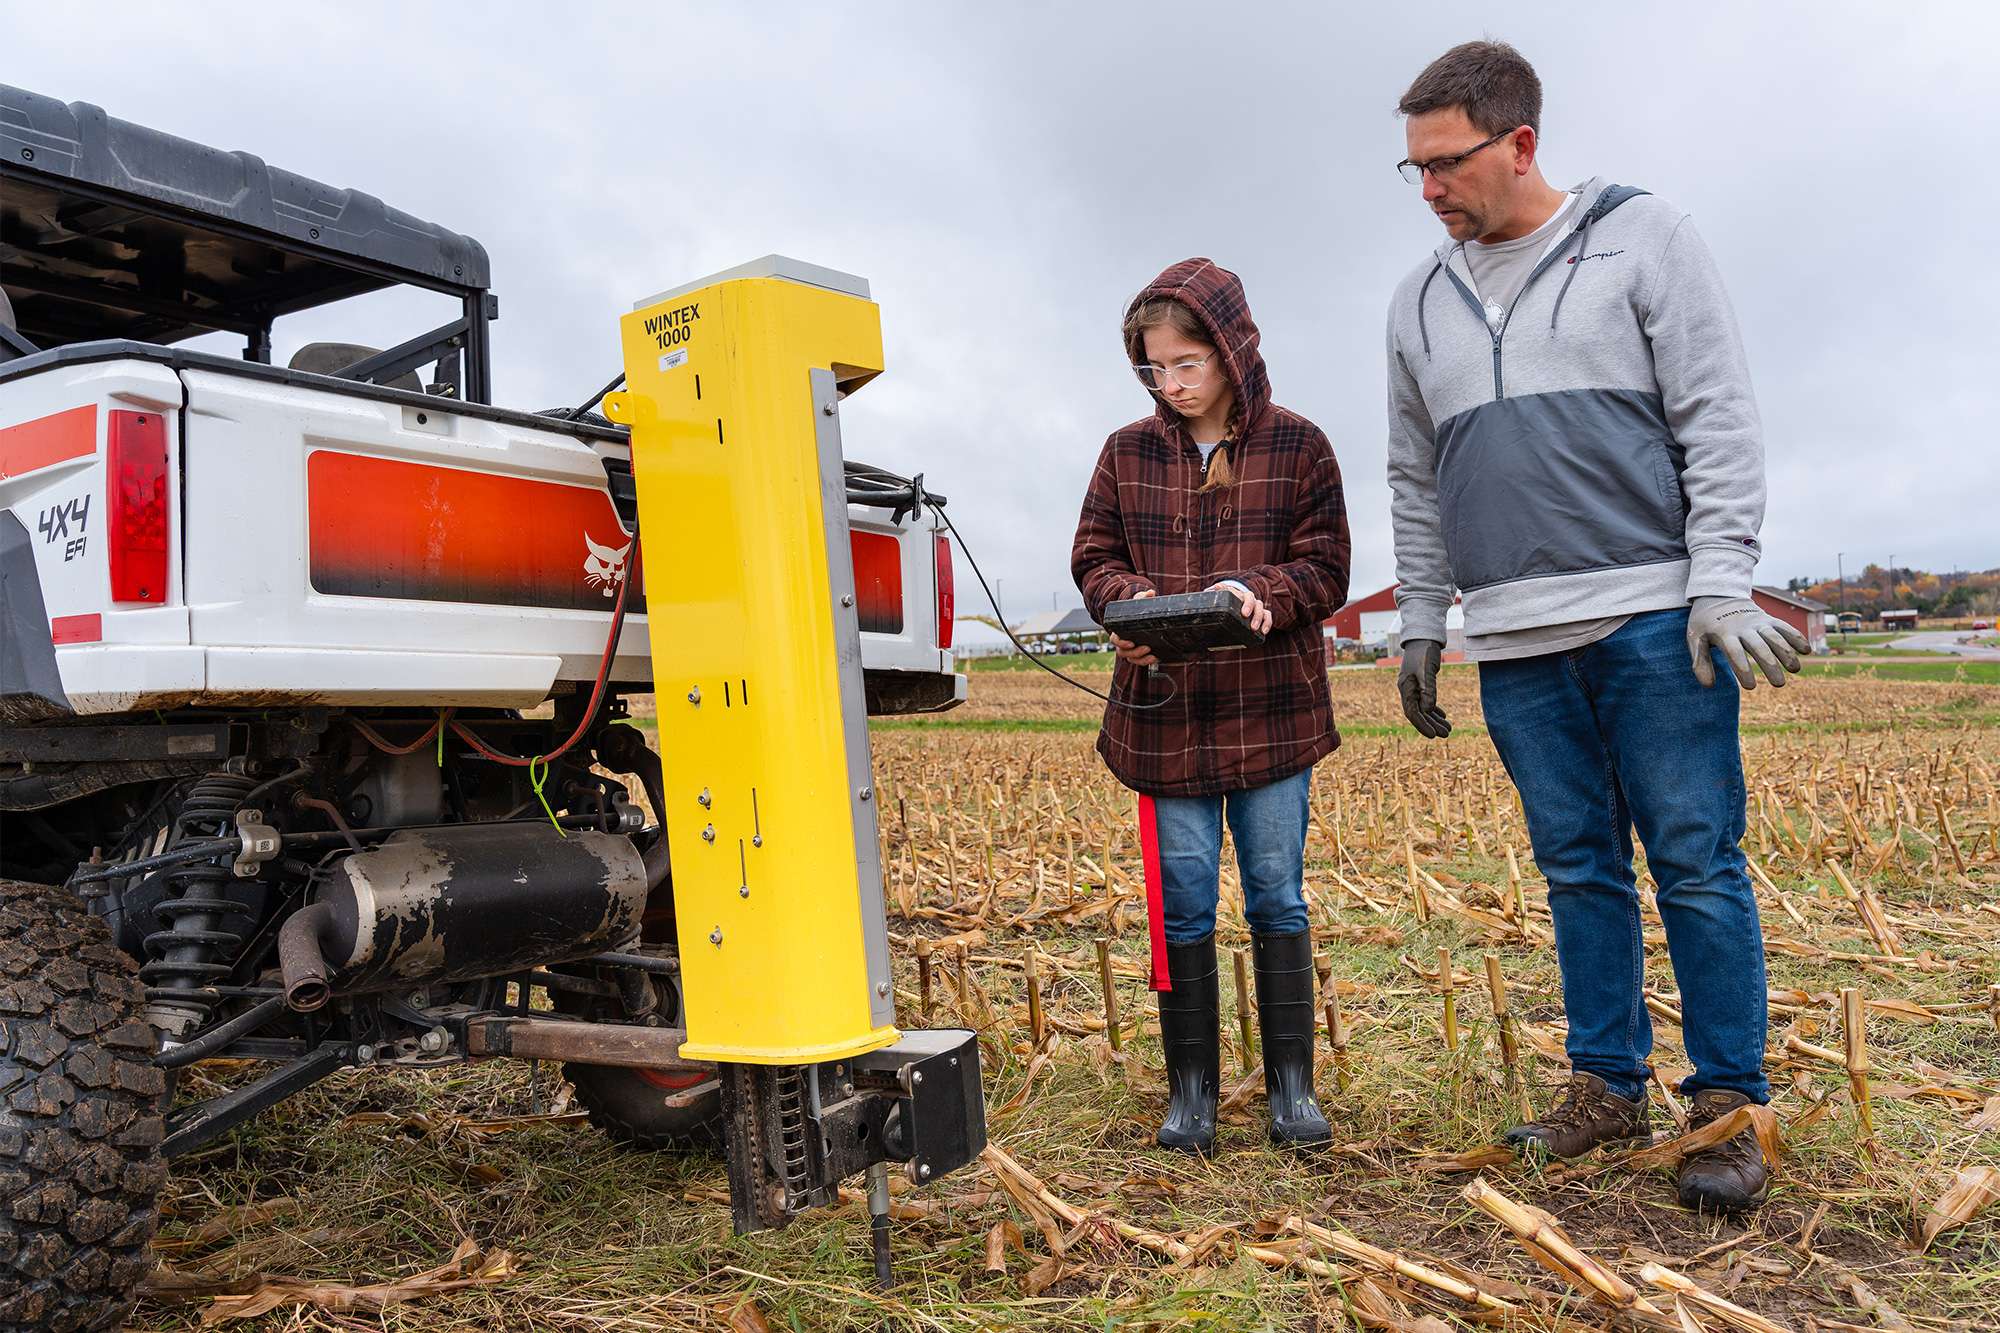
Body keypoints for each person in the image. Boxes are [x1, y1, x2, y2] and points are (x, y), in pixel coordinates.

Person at [1384, 41, 1809, 1212]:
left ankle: (1728, 1107)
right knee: (1576, 868)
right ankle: (1604, 1082)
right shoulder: (1417, 300)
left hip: (1651, 622)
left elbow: (1716, 417)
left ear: (1519, 142)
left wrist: (1721, 580)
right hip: (1513, 641)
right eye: (1411, 170)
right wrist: (1423, 617)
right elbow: (1412, 477)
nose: (1427, 190)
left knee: (1692, 859)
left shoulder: (1645, 240)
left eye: (1446, 163)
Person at [1072, 258, 1350, 1153]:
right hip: (1164, 715)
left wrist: (1262, 589)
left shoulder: (1300, 446)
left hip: (1271, 712)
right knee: (1184, 905)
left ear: (1233, 350)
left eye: (1187, 363)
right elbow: (1093, 557)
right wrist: (1132, 603)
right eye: (1155, 367)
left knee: (1277, 896)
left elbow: (1328, 567)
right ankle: (1189, 1094)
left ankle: (1291, 1092)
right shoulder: (1126, 452)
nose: (1172, 383)